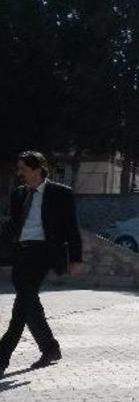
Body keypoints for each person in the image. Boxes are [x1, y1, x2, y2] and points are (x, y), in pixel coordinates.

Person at [0, 151, 83, 378]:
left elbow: (71, 227)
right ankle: (50, 349)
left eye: (24, 169)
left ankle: (2, 358)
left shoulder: (61, 194)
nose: (20, 174)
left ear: (37, 169)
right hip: (21, 253)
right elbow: (14, 225)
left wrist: (76, 258)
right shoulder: (18, 194)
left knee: (20, 307)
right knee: (29, 304)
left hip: (43, 253)